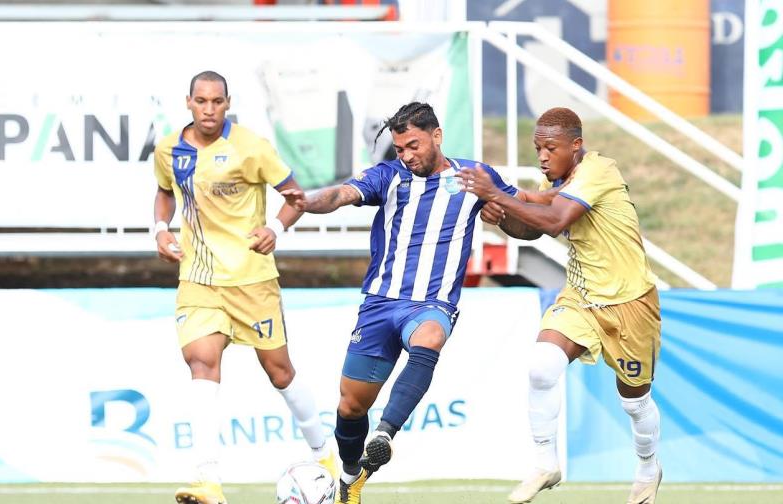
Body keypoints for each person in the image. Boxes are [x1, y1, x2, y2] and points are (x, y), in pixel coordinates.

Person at [298, 102, 518, 504]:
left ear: (436, 135)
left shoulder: (474, 177)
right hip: (380, 303)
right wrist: (305, 202)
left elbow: (520, 220)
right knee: (349, 407)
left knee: (430, 337)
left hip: (431, 304)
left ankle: (385, 433)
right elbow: (343, 194)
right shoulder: (389, 176)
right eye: (400, 149)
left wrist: (504, 216)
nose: (406, 155)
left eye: (413, 145)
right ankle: (350, 476)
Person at [459, 107, 662, 504]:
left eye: (550, 148)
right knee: (541, 366)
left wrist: (497, 193)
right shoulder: (556, 179)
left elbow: (554, 220)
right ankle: (545, 462)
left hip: (630, 302)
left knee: (635, 401)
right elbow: (532, 227)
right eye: (538, 148)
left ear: (576, 145)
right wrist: (500, 216)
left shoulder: (599, 170)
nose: (543, 156)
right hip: (581, 297)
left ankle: (648, 466)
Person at [152, 71, 334, 504]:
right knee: (201, 363)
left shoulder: (250, 147)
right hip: (198, 280)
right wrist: (159, 229)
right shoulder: (168, 150)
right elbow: (163, 191)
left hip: (252, 280)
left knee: (280, 372)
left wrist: (275, 228)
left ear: (228, 103)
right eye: (201, 101)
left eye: (217, 102)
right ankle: (207, 482)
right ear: (188, 103)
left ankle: (325, 455)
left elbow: (296, 197)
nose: (209, 110)